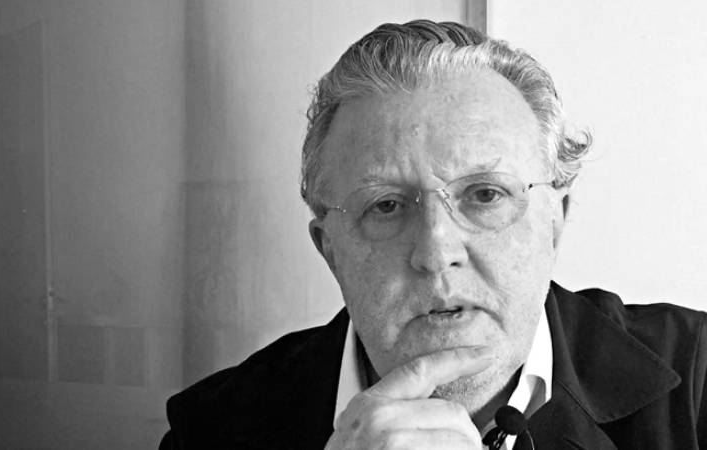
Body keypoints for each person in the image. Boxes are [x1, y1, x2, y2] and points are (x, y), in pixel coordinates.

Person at [159, 20, 707, 449]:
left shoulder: (698, 379)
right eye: (386, 206)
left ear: (555, 221)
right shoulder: (210, 430)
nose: (436, 252)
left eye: (485, 194)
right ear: (331, 251)